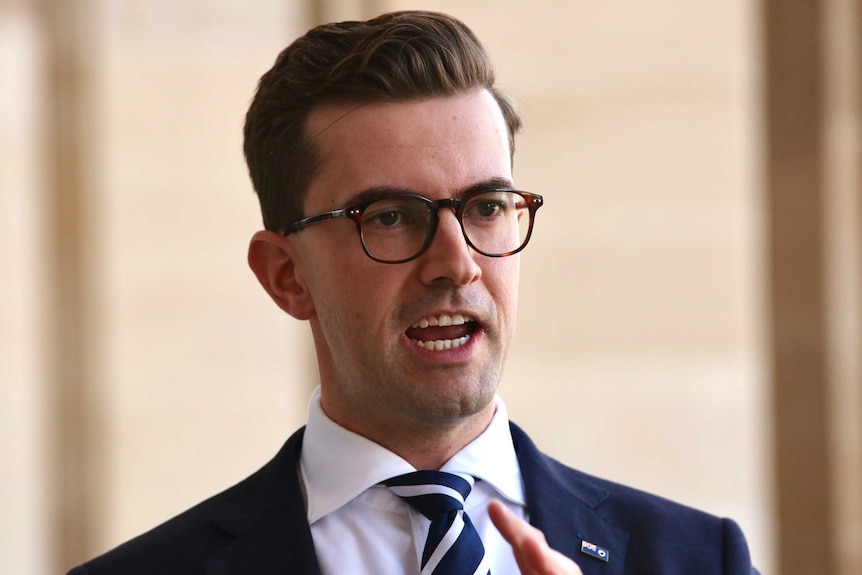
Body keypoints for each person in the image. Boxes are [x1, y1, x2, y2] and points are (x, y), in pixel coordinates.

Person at [68, 10, 759, 575]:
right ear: (287, 275)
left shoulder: (698, 558)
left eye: (487, 206)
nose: (456, 264)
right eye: (391, 217)